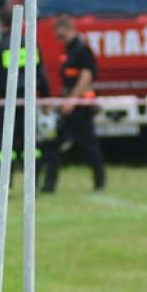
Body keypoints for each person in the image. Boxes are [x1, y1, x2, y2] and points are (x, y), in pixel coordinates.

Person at [0, 7, 57, 197]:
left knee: (3, 147)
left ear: (1, 23)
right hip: (28, 103)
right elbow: (40, 73)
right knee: (30, 144)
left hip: (6, 104)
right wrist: (46, 97)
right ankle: (33, 184)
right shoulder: (31, 44)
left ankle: (2, 186)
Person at [43, 14, 106, 193]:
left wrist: (72, 100)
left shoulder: (82, 50)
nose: (58, 38)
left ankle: (100, 181)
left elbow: (86, 76)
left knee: (88, 146)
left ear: (70, 29)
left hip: (81, 107)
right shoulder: (68, 50)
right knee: (52, 144)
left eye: (60, 34)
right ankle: (48, 186)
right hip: (69, 106)